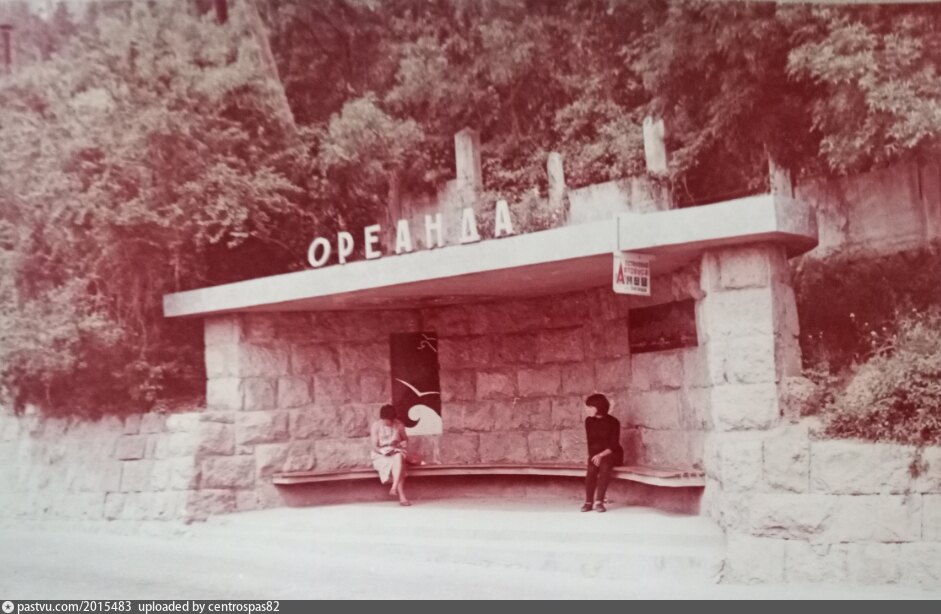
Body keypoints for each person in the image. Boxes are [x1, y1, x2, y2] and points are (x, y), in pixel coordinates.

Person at [581, 393, 623, 513]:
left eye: (590, 407)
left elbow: (614, 445)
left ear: (598, 407)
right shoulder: (589, 421)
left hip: (612, 453)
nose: (587, 410)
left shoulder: (614, 422)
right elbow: (590, 443)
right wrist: (593, 457)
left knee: (604, 464)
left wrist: (600, 455)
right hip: (596, 454)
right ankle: (588, 502)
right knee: (592, 468)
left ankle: (599, 501)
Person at [370, 404, 411, 506]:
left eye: (390, 421)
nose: (388, 423)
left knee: (398, 457)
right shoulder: (376, 426)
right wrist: (383, 452)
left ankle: (394, 487)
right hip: (380, 454)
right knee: (399, 464)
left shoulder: (399, 425)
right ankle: (401, 496)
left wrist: (403, 443)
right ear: (382, 418)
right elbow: (374, 446)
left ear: (393, 419)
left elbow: (405, 439)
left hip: (395, 450)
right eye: (386, 420)